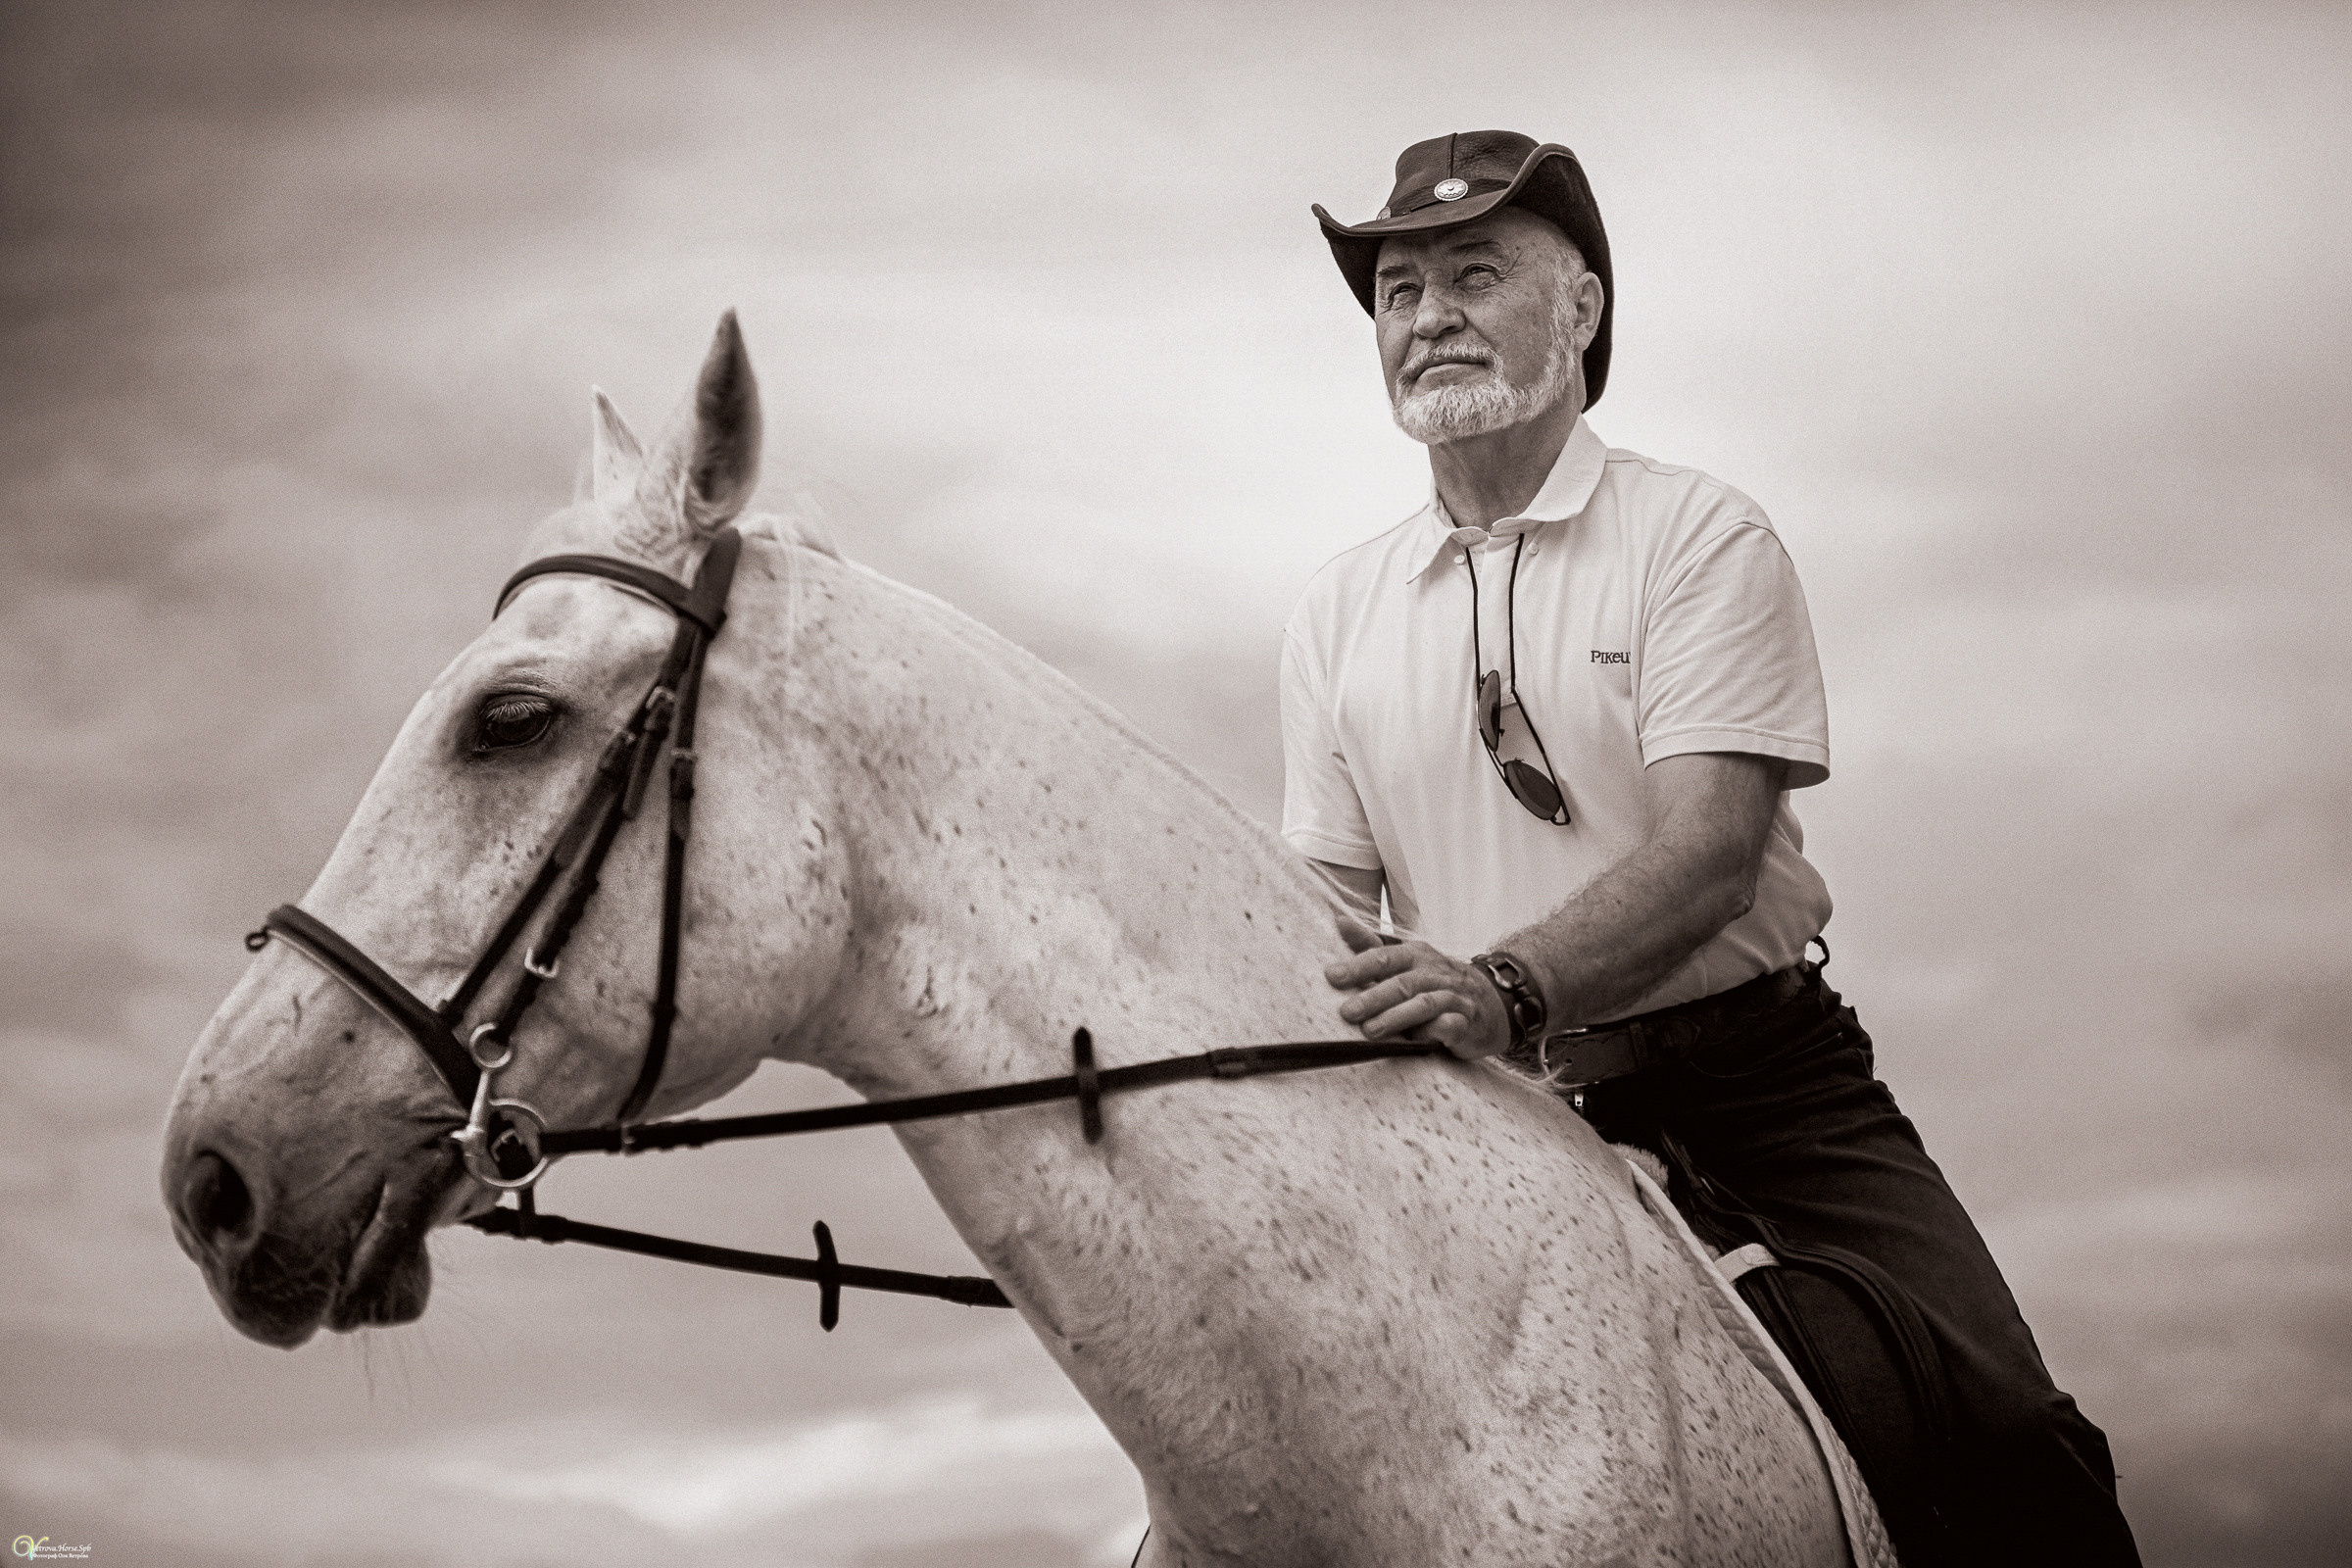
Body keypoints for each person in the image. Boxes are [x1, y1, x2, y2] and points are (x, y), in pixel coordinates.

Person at [1285, 129, 2139, 1565]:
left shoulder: (1698, 536)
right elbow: (1320, 910)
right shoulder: (1335, 611)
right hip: (1482, 1114)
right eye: (1398, 291)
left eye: (1473, 275)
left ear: (1580, 309)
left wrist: (1500, 989)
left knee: (2011, 1451)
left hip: (1760, 1089)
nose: (1427, 317)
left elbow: (1712, 856)